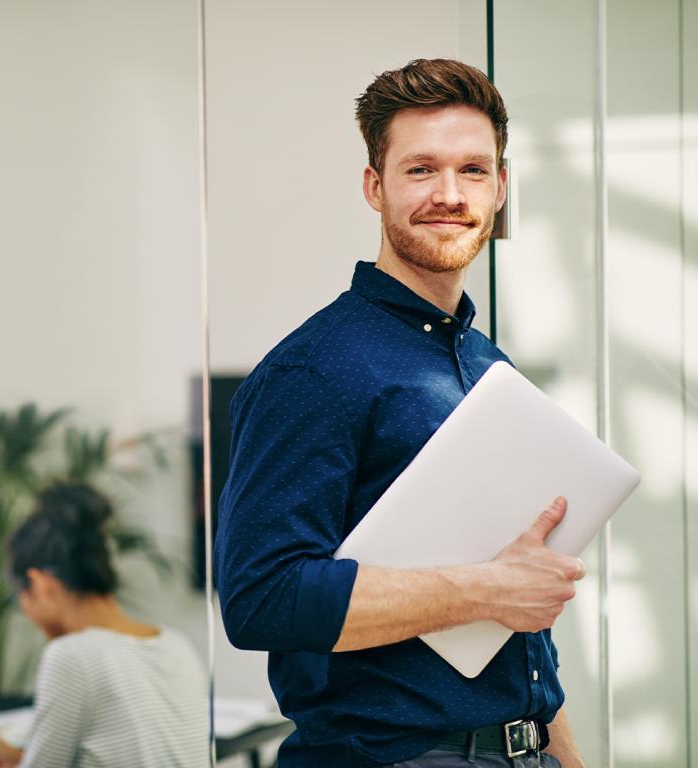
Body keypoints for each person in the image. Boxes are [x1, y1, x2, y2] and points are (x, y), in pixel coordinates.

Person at [214, 59, 587, 767]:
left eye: (474, 171)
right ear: (374, 187)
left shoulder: (487, 366)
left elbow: (522, 629)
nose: (450, 194)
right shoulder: (314, 370)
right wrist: (486, 588)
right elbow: (259, 597)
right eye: (421, 170)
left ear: (502, 188)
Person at [0, 482, 208, 768]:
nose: (26, 613)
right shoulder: (177, 644)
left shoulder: (72, 655)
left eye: (20, 600)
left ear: (40, 585)